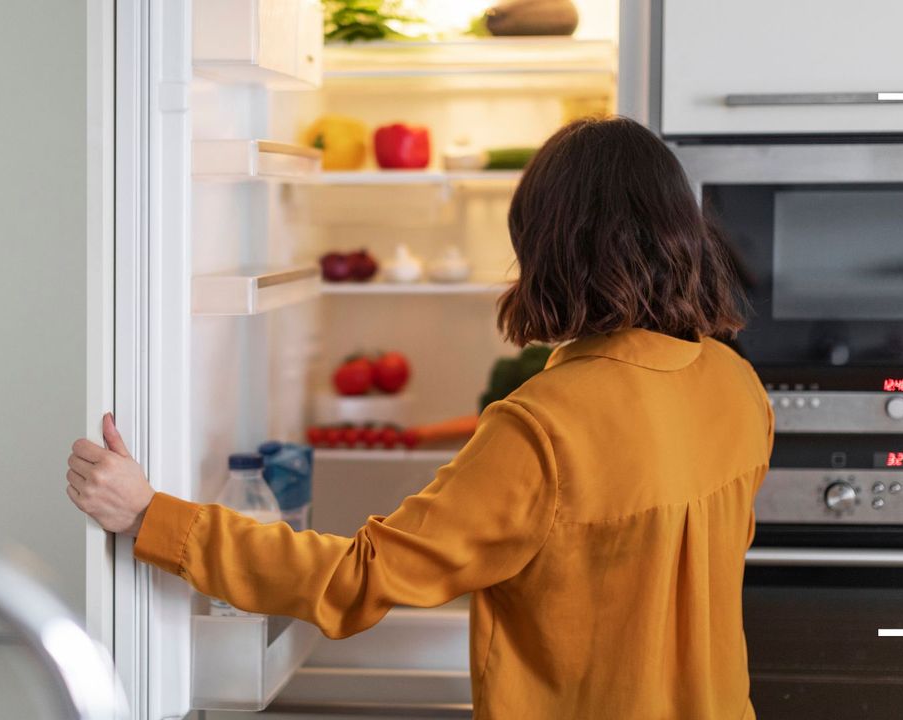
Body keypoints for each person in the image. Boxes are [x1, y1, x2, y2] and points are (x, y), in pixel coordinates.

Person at [66, 116, 773, 719]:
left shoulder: (546, 429)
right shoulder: (735, 386)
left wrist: (149, 515)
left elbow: (358, 579)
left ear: (549, 251)